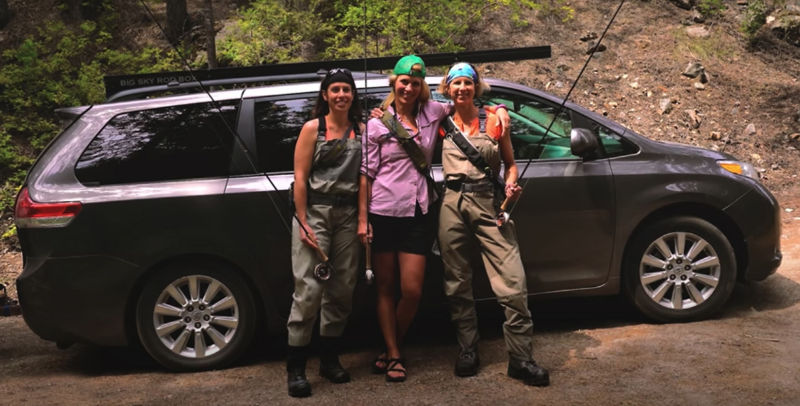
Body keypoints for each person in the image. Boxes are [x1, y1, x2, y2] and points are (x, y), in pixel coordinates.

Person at [436, 62, 550, 386]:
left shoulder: (494, 120)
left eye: (467, 83)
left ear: (475, 87)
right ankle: (467, 350)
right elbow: (405, 110)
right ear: (448, 88)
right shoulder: (440, 121)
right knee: (456, 282)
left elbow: (510, 165)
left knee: (513, 283)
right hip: (451, 204)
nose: (461, 88)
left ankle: (521, 359)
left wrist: (510, 185)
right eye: (456, 83)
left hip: (489, 203)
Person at [357, 55, 450, 382]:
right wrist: (363, 219)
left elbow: (465, 102)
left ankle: (388, 346)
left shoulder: (433, 112)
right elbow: (366, 175)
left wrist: (499, 111)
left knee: (411, 290)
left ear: (421, 84)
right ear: (393, 82)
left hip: (417, 211)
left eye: (415, 82)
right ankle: (395, 353)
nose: (408, 87)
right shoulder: (377, 124)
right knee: (385, 287)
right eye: (403, 81)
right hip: (383, 212)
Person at [286, 68, 365, 398]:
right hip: (315, 213)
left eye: (346, 89)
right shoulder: (312, 129)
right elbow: (300, 178)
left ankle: (330, 360)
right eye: (335, 90)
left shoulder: (361, 131)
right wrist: (303, 222)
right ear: (325, 95)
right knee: (309, 290)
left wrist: (363, 219)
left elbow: (364, 177)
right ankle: (296, 369)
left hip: (347, 215)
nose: (342, 95)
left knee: (342, 289)